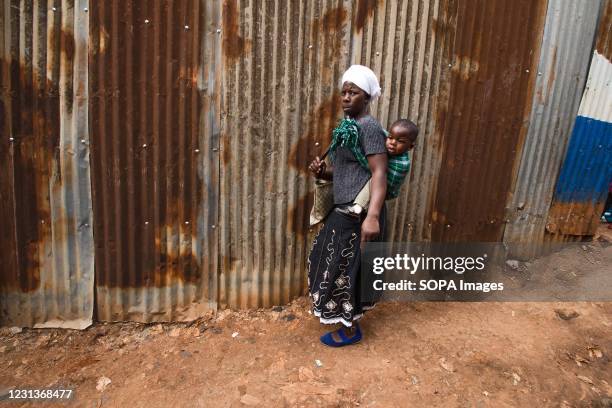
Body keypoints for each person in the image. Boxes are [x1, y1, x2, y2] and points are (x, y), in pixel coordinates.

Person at [307, 65, 387, 347]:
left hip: (359, 213)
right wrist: (322, 172)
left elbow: (379, 172)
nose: (346, 97)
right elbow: (347, 172)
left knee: (347, 270)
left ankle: (351, 328)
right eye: (343, 92)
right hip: (343, 210)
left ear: (367, 97)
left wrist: (373, 216)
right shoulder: (347, 129)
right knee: (334, 264)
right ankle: (346, 320)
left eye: (353, 92)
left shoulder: (369, 127)